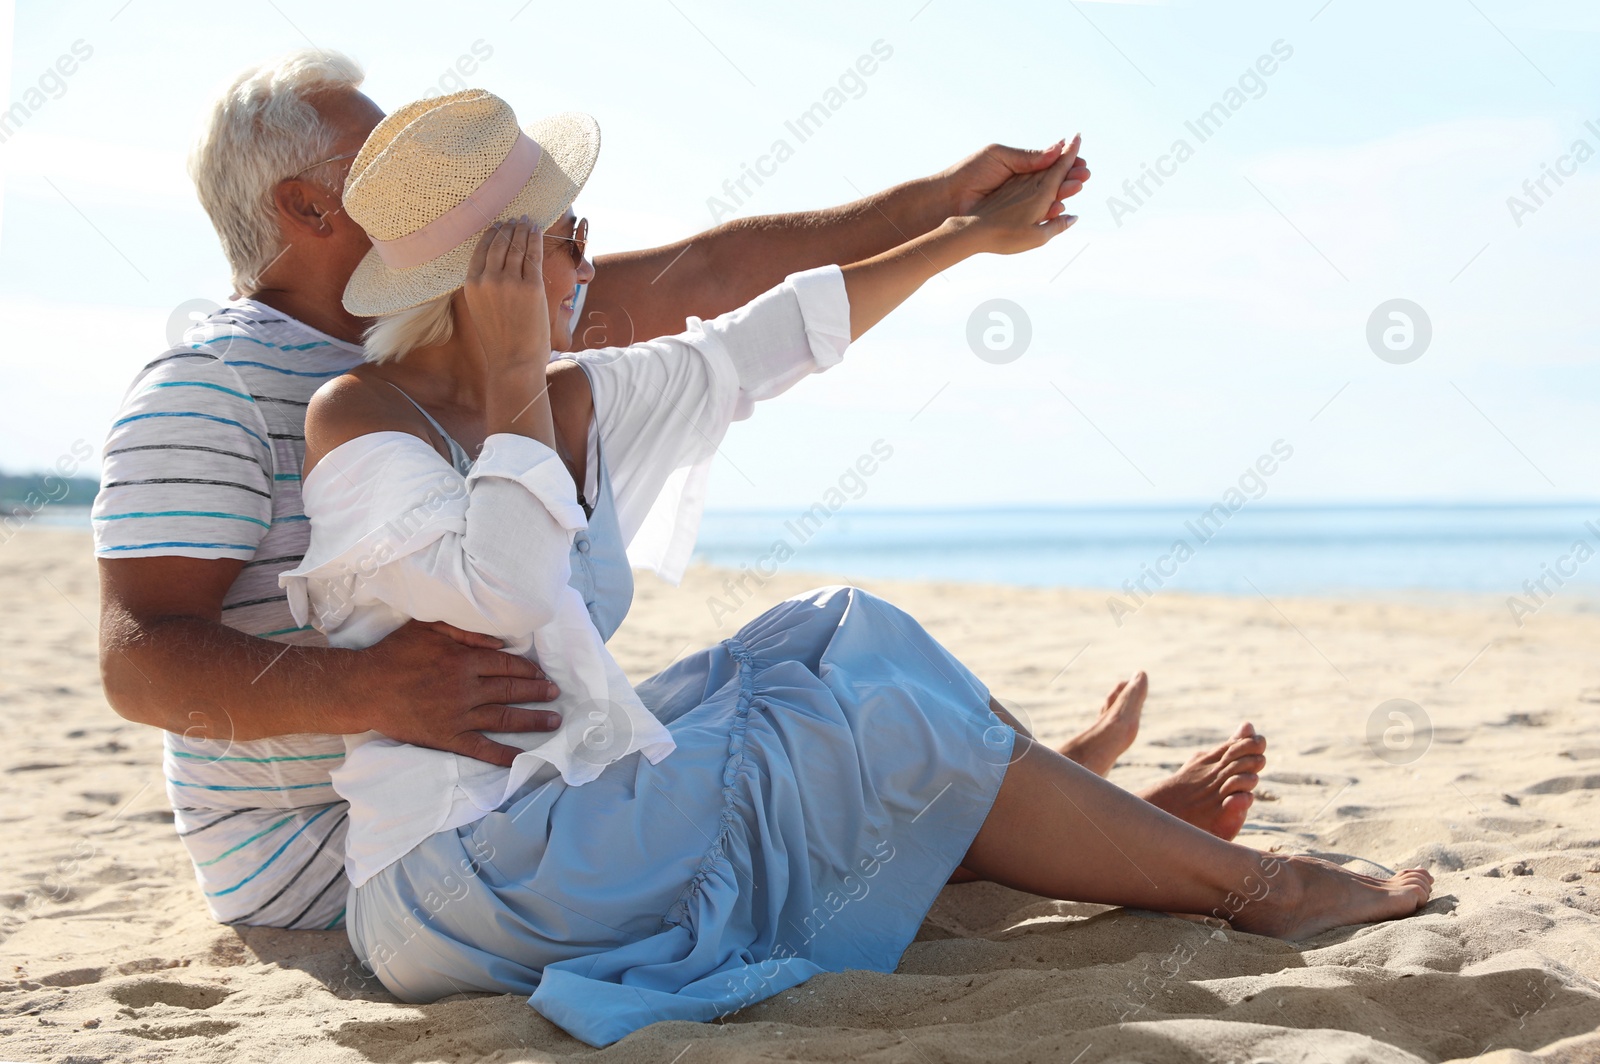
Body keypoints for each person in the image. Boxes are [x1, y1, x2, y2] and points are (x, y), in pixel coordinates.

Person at [277, 88, 1433, 1048]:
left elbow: (755, 343)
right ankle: (1250, 884)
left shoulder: (574, 392)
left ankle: (1052, 794)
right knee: (858, 725)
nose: (590, 258)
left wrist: (963, 237)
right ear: (498, 266)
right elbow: (511, 588)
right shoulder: (364, 417)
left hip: (565, 811)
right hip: (456, 880)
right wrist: (516, 368)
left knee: (840, 629)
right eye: (568, 237)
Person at [90, 50, 1252, 932]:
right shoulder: (214, 389)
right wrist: (364, 688)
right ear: (304, 210)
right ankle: (1030, 824)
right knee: (784, 750)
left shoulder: (464, 323)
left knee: (819, 649)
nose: (422, 176)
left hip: (505, 773)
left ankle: (1044, 802)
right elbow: (138, 654)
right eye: (376, 163)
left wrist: (941, 207)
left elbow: (710, 284)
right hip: (333, 849)